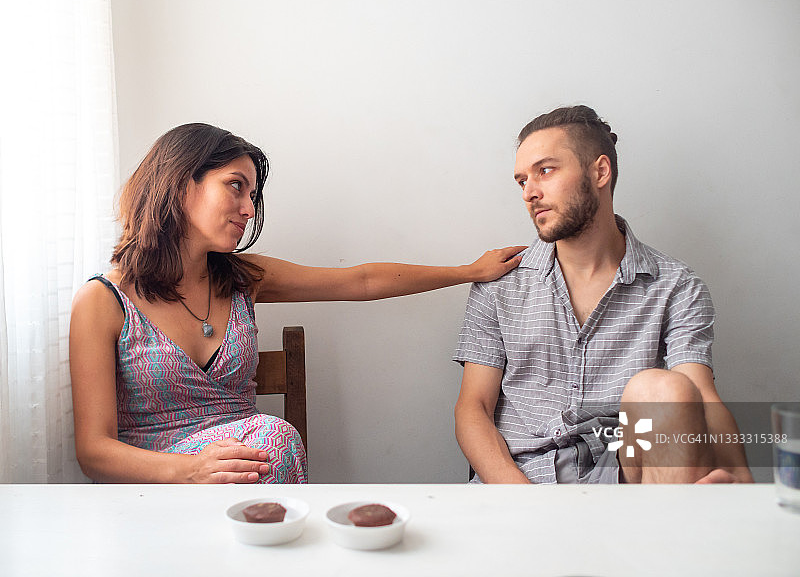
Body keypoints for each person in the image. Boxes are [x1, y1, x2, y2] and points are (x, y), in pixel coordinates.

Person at [69, 122, 525, 485]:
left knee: (271, 439)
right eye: (235, 186)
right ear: (181, 184)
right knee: (274, 436)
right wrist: (189, 471)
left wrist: (469, 272)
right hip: (154, 488)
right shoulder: (103, 302)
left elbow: (361, 281)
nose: (248, 209)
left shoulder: (243, 279)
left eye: (252, 195)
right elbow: (94, 452)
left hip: (248, 473)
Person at [453, 105, 753, 485]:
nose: (530, 192)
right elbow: (472, 409)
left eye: (545, 170)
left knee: (663, 389)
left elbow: (701, 397)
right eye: (521, 181)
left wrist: (745, 486)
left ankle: (659, 536)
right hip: (520, 482)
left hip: (626, 478)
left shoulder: (676, 285)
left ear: (600, 171)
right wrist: (525, 502)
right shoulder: (499, 283)